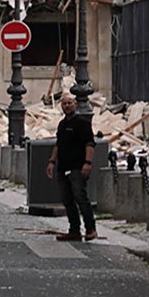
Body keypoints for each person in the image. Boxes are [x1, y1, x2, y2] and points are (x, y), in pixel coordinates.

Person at [46, 92, 98, 242]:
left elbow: (90, 144)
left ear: (75, 104)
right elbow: (58, 144)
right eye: (64, 104)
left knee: (80, 197)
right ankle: (74, 230)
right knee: (67, 200)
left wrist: (87, 163)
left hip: (77, 166)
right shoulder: (62, 124)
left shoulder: (82, 123)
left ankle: (90, 228)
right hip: (63, 167)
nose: (67, 106)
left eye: (69, 103)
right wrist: (51, 161)